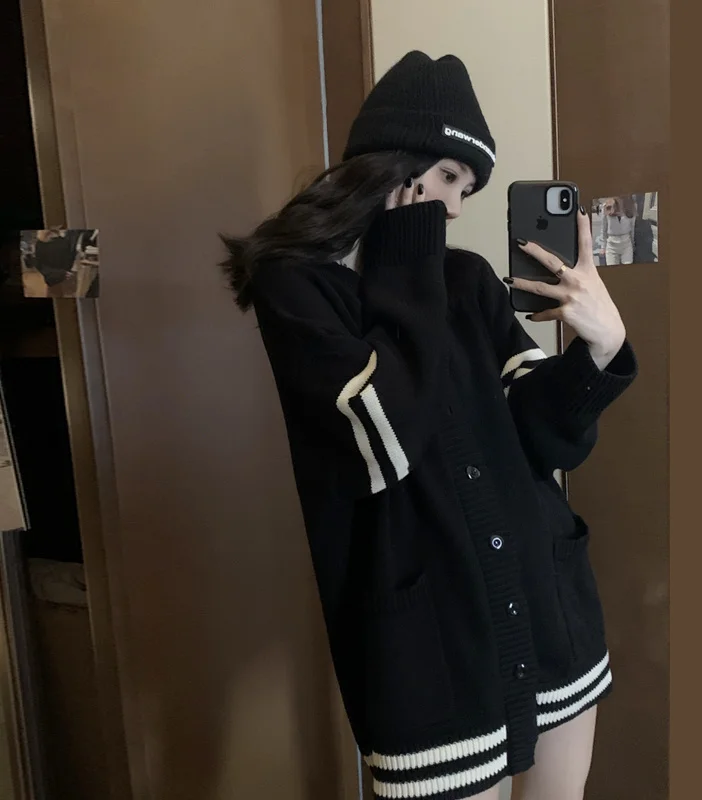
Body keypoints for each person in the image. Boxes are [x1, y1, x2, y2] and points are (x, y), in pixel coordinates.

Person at [220, 51, 637, 800]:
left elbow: (541, 440)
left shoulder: (466, 279)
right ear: (394, 161)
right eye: (447, 177)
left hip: (551, 615)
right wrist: (406, 255)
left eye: (467, 189)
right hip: (432, 647)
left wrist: (599, 352)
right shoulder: (299, 286)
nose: (454, 206)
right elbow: (381, 438)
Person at [599, 197, 634, 265]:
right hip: (611, 245)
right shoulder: (606, 205)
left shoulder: (630, 206)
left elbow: (632, 227)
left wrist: (633, 244)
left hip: (626, 245)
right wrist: (603, 247)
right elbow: (604, 228)